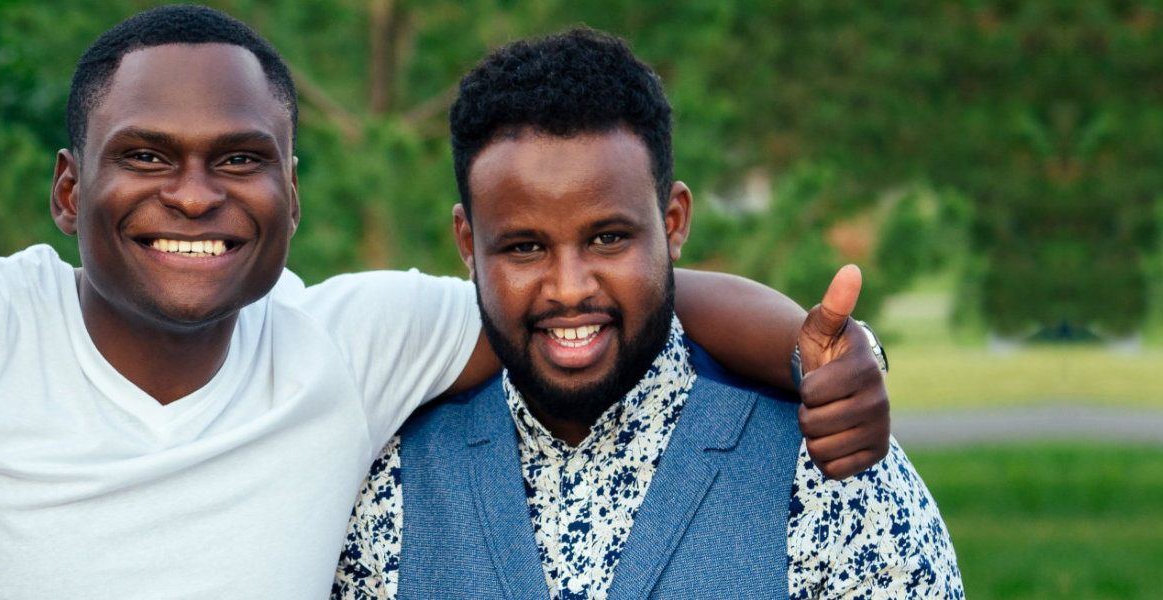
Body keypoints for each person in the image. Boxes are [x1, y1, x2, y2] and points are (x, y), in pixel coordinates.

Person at [0, 6, 893, 598]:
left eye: (240, 162)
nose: (194, 195)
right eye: (145, 158)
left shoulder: (352, 341)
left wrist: (828, 354)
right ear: (63, 190)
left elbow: (589, 291)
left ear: (292, 189)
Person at [332, 28, 961, 599]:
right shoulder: (390, 486)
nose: (570, 288)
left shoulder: (825, 473)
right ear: (468, 244)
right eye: (525, 247)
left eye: (608, 238)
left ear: (673, 222)